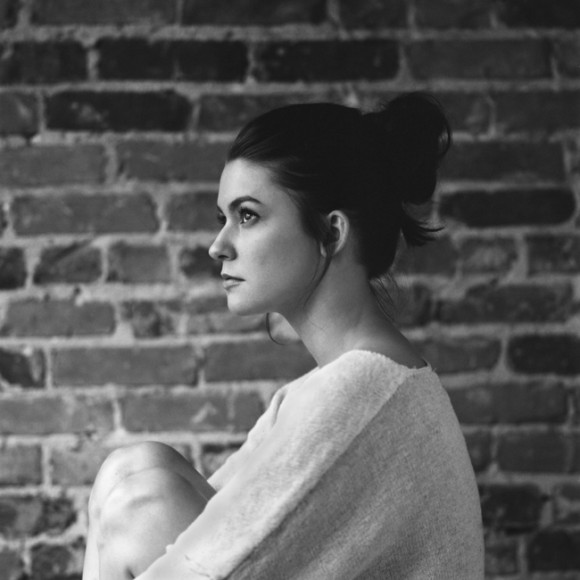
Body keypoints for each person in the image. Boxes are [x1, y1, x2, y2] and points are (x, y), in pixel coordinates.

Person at [82, 93, 484, 580]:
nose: (217, 246)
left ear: (331, 234)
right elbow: (229, 536)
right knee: (135, 470)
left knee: (140, 505)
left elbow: (222, 562)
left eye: (247, 216)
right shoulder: (355, 381)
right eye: (223, 219)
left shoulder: (359, 390)